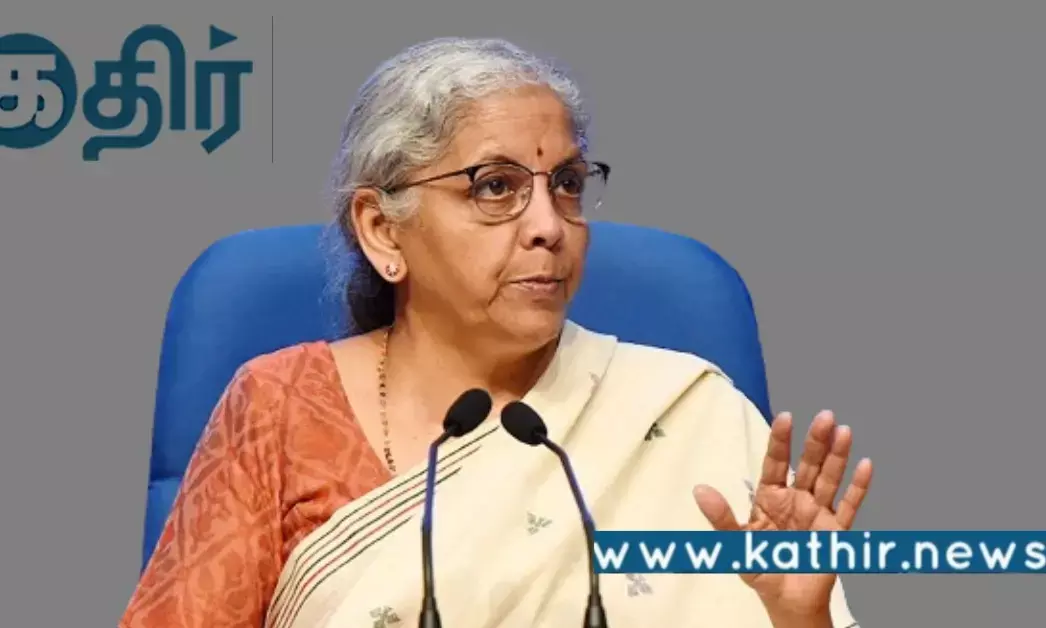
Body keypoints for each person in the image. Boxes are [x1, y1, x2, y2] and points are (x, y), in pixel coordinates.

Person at [120, 37, 871, 628]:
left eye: (567, 185)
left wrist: (798, 618)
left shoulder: (687, 413)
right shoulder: (279, 408)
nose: (549, 226)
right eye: (496, 187)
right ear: (382, 229)